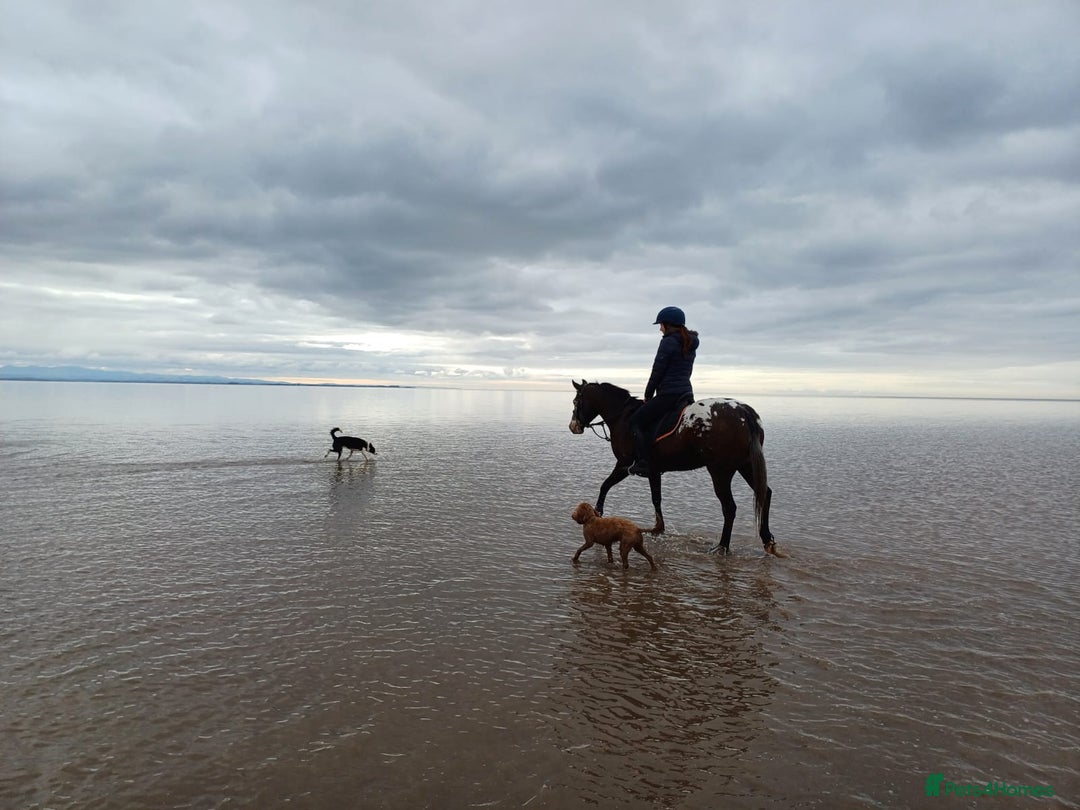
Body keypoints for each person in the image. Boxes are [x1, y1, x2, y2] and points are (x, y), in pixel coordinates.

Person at [627, 306, 699, 477]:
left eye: (661, 325)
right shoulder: (690, 342)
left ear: (668, 324)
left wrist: (648, 394)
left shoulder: (667, 341)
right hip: (686, 394)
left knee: (635, 421)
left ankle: (644, 462)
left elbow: (657, 371)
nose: (660, 329)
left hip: (668, 394)